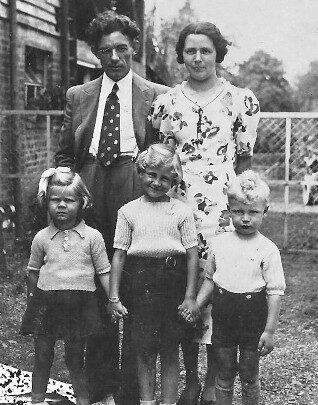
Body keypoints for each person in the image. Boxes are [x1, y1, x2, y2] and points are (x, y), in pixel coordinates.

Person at [55, 10, 168, 405]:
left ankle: (132, 388)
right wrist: (65, 194)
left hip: (133, 180)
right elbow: (65, 154)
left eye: (122, 48)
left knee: (134, 280)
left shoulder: (156, 94)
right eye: (106, 51)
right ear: (95, 53)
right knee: (96, 279)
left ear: (134, 47)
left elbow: (163, 156)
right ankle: (101, 380)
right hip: (90, 182)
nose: (115, 57)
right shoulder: (78, 95)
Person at [149, 22, 260, 405]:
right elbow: (159, 162)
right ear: (181, 55)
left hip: (220, 217)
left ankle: (213, 381)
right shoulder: (166, 103)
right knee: (184, 294)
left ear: (218, 54)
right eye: (190, 51)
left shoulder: (240, 100)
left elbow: (244, 162)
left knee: (216, 298)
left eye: (206, 51)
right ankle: (191, 380)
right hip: (176, 213)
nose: (197, 58)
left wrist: (238, 208)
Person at [108, 144, 199, 405]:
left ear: (174, 181)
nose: (157, 183)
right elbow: (119, 255)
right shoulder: (128, 212)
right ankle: (147, 401)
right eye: (151, 174)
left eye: (165, 178)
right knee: (144, 350)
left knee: (170, 350)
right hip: (140, 284)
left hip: (172, 282)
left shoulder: (181, 211)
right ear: (140, 171)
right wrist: (114, 297)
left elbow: (192, 255)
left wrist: (190, 297)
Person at [20, 168, 111, 405]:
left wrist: (114, 299)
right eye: (55, 199)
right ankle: (37, 401)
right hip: (46, 302)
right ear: (46, 202)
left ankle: (82, 401)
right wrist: (32, 301)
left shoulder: (93, 237)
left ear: (83, 202)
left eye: (69, 200)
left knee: (75, 360)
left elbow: (104, 271)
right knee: (42, 357)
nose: (61, 205)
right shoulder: (41, 237)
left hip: (80, 305)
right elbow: (33, 272)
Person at [195, 170, 286, 405]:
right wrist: (196, 305)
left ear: (265, 211)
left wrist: (269, 331)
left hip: (252, 319)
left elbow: (275, 293)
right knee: (223, 373)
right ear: (229, 209)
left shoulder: (268, 249)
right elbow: (209, 279)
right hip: (224, 318)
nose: (246, 218)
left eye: (253, 212)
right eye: (239, 211)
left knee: (248, 374)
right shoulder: (219, 243)